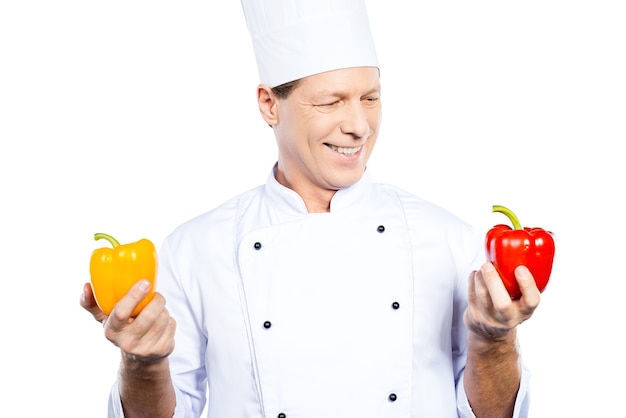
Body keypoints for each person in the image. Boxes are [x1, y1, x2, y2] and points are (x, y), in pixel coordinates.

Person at [81, 1, 540, 417]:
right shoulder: (196, 249)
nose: (359, 126)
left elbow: (493, 416)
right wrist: (143, 363)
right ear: (268, 105)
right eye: (330, 101)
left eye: (371, 97)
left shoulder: (450, 240)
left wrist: (495, 342)